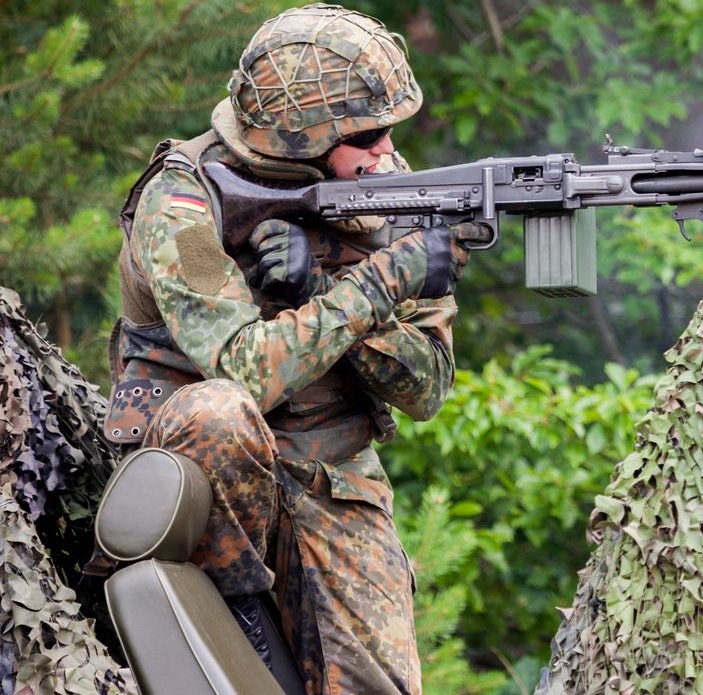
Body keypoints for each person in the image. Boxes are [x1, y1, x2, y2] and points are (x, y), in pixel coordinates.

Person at [102, 4, 488, 694]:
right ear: (300, 137)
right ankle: (241, 616)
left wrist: (322, 280)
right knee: (218, 411)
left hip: (334, 473)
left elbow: (425, 388)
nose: (384, 152)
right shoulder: (185, 201)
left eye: (388, 132)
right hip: (203, 477)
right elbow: (243, 372)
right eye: (366, 134)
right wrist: (382, 278)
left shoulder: (390, 191)